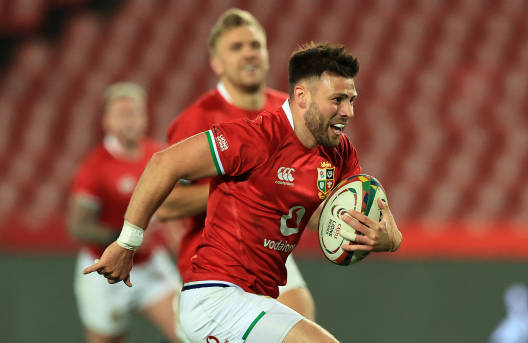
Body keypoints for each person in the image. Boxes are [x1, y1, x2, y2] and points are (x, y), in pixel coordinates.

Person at [84, 43, 403, 343]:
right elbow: (165, 162)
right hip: (216, 298)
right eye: (337, 100)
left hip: (258, 299)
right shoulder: (256, 138)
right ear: (302, 96)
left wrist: (388, 240)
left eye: (352, 100)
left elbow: (339, 217)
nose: (348, 111)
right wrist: (128, 241)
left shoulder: (339, 152)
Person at [154, 8, 315, 320]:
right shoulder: (196, 120)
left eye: (255, 45)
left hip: (269, 250)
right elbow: (166, 205)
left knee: (302, 316)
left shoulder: (291, 112)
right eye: (236, 47)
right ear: (217, 63)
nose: (248, 54)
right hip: (213, 257)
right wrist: (248, 186)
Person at [68, 82, 181, 343]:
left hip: (149, 265)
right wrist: (128, 237)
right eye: (122, 114)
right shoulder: (95, 167)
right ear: (107, 121)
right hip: (105, 269)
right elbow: (78, 225)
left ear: (145, 117)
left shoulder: (158, 155)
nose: (130, 120)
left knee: (188, 331)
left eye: (135, 112)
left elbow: (175, 204)